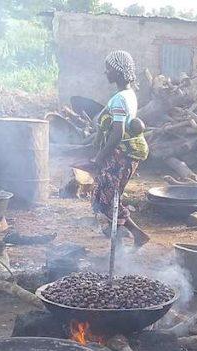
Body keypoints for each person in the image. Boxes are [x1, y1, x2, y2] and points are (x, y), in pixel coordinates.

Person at [84, 50, 151, 247]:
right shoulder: (127, 94)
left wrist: (98, 158)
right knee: (106, 196)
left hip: (121, 156)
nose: (106, 73)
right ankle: (132, 233)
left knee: (106, 199)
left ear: (119, 72)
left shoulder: (121, 99)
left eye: (109, 69)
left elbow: (117, 134)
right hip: (120, 155)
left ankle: (122, 238)